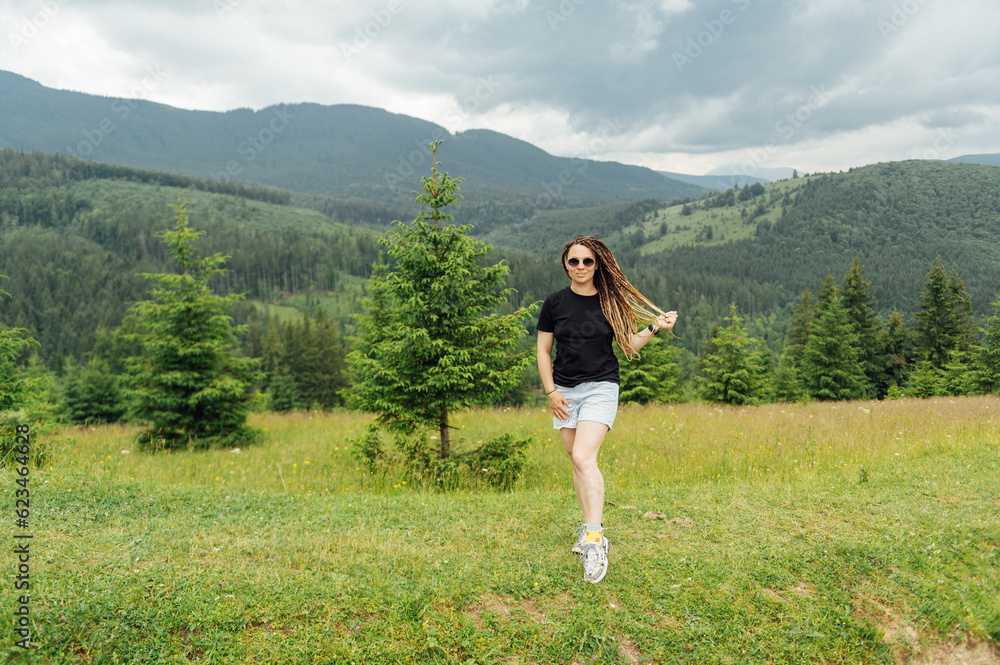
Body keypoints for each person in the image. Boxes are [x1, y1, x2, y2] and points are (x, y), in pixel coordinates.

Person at [536, 235, 677, 583]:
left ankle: (596, 540)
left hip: (601, 386)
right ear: (565, 264)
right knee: (575, 457)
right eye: (574, 261)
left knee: (584, 457)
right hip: (565, 391)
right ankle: (588, 528)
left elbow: (628, 344)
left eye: (588, 261)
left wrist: (654, 327)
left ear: (597, 264)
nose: (581, 267)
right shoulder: (554, 303)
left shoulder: (610, 302)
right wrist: (551, 391)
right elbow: (542, 351)